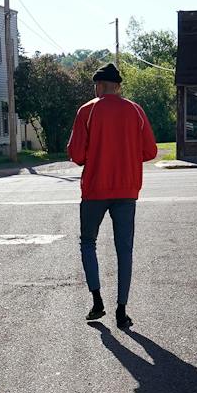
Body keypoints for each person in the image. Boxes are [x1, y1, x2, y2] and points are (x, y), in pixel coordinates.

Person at [67, 62, 157, 329]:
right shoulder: (135, 110)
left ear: (99, 85)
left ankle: (97, 301)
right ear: (118, 86)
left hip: (95, 189)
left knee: (88, 242)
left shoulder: (87, 110)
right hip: (127, 190)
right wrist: (127, 155)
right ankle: (122, 310)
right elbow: (150, 151)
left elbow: (77, 155)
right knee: (124, 250)